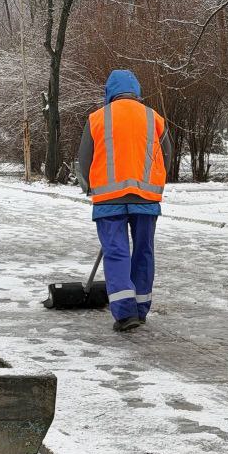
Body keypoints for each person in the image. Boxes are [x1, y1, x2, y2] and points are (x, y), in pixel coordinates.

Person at [77, 69, 171, 332]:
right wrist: (155, 181)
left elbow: (84, 159)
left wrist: (89, 186)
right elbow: (167, 155)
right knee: (144, 252)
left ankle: (125, 313)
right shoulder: (154, 117)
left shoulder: (97, 118)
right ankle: (141, 308)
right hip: (146, 198)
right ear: (136, 91)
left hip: (108, 199)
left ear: (109, 92)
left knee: (116, 252)